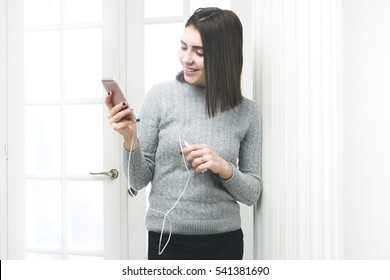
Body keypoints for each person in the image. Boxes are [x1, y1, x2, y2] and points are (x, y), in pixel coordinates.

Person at [104, 7, 262, 260]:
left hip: (225, 243)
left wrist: (224, 167)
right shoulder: (160, 96)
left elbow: (252, 194)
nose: (186, 59)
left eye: (199, 52)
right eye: (183, 47)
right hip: (166, 241)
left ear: (224, 56)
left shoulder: (248, 112)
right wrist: (129, 138)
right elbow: (138, 180)